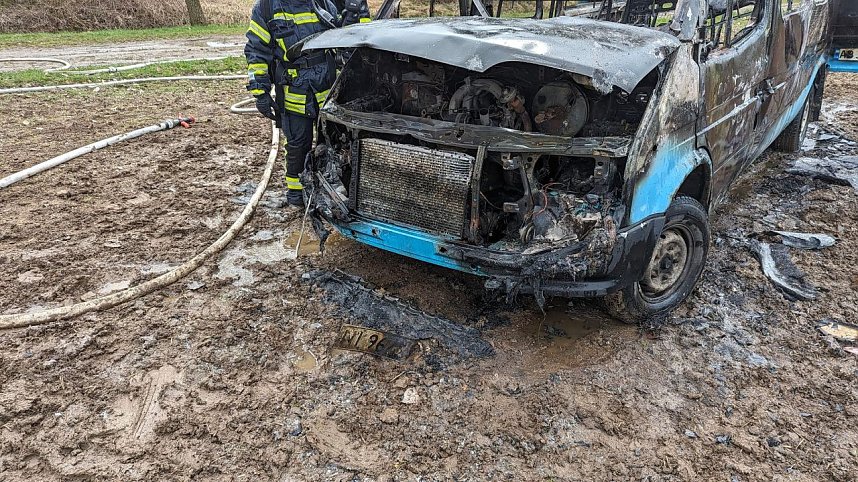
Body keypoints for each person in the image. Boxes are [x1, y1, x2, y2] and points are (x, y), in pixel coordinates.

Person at [244, 0, 370, 207]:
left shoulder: (322, 3)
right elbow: (256, 51)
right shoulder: (266, 8)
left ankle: (329, 186)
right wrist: (260, 92)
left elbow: (346, 36)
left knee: (333, 142)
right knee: (297, 144)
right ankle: (296, 192)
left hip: (327, 90)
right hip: (294, 91)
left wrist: (354, 16)